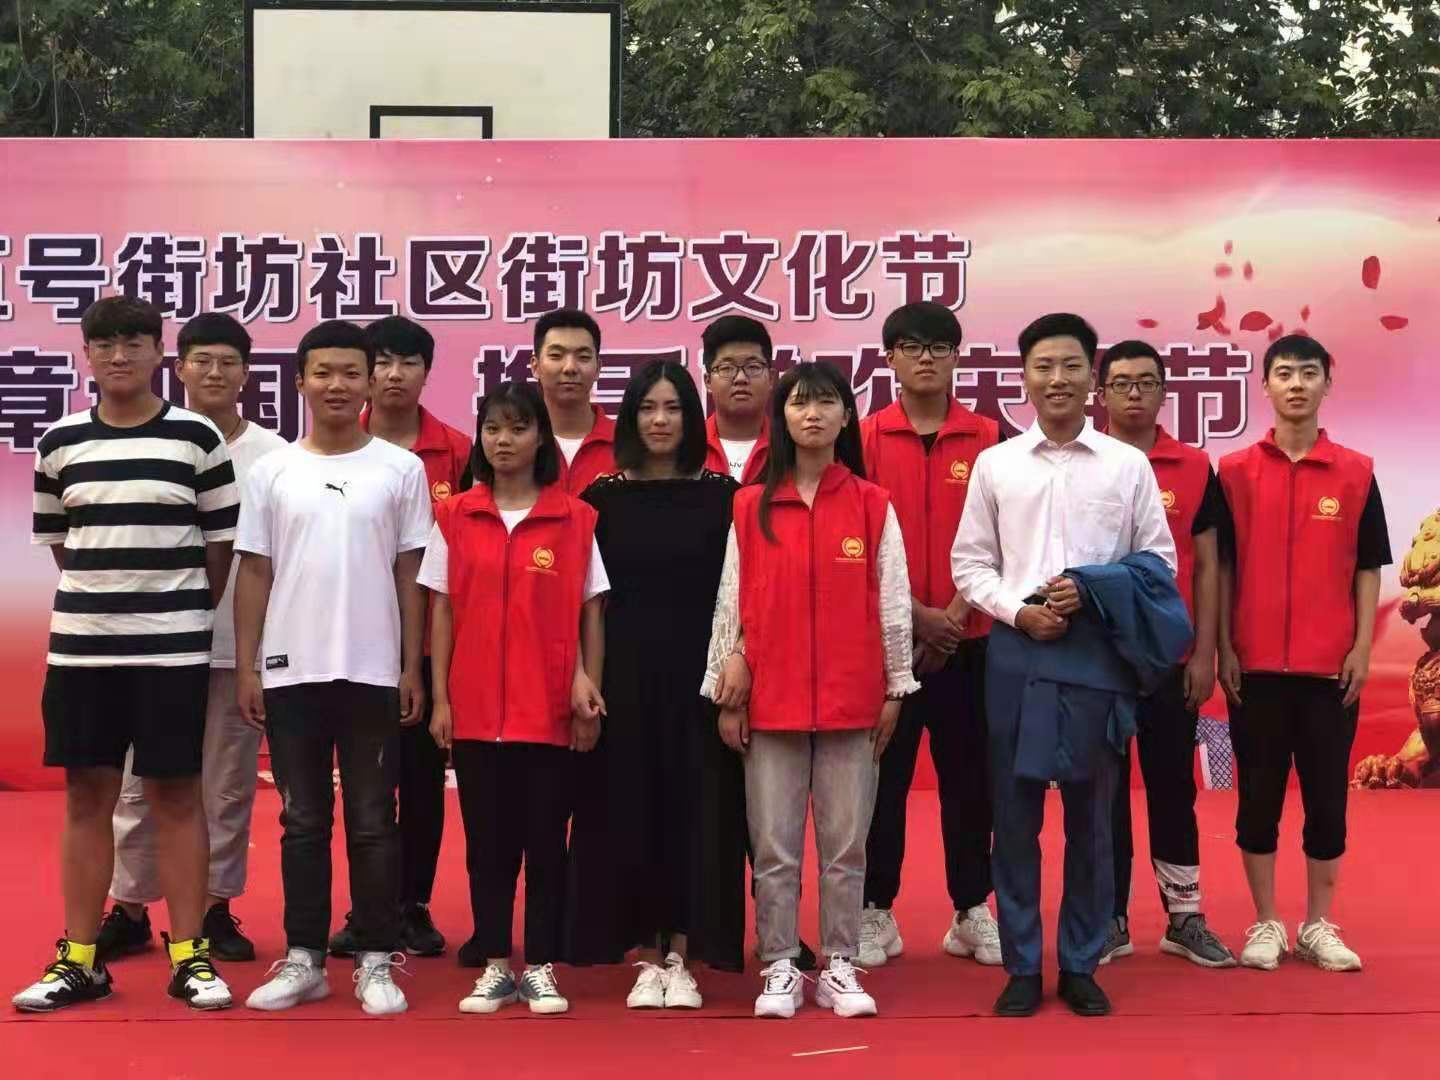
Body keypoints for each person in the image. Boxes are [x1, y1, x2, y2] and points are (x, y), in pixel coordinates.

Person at [952, 313, 1180, 1019]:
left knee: (1093, 815)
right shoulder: (996, 464)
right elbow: (970, 564)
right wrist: (1017, 613)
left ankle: (1081, 961)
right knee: (1014, 815)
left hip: (1096, 652)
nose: (1058, 379)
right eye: (1044, 366)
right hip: (1017, 650)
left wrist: (1094, 589)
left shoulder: (1126, 464)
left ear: (1093, 378)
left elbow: (1159, 562)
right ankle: (1022, 965)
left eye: (1071, 365)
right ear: (1023, 376)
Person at [16, 296, 238, 1012]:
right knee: (88, 799)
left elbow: (219, 547)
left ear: (157, 353)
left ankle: (190, 955)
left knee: (177, 797)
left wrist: (174, 613)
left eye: (134, 342)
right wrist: (109, 605)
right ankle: (80, 959)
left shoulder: (197, 438)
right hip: (83, 653)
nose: (119, 356)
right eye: (105, 344)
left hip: (172, 655)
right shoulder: (59, 442)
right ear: (86, 355)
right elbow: (62, 545)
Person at [704, 361, 919, 1020]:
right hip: (771, 702)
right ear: (783, 417)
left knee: (846, 848)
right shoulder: (750, 505)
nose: (813, 414)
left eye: (827, 403)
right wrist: (727, 684)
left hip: (854, 702)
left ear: (846, 417)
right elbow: (731, 601)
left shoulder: (872, 503)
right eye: (800, 403)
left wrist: (896, 688)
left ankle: (840, 963)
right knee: (774, 848)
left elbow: (893, 603)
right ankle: (778, 963)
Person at [236, 320, 431, 1016]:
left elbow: (411, 572)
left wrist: (412, 666)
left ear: (371, 381)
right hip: (292, 671)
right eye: (324, 372)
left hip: (374, 670)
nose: (338, 385)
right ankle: (304, 958)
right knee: (302, 820)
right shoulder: (273, 471)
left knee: (375, 820)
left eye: (352, 372)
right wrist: (249, 666)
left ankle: (376, 958)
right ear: (301, 381)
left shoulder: (400, 470)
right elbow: (254, 571)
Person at [98, 313, 286, 968]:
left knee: (226, 785)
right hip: (151, 644)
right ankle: (128, 908)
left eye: (228, 361)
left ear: (247, 372)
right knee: (136, 782)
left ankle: (213, 907)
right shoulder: (152, 438)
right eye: (201, 360)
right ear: (177, 367)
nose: (214, 372)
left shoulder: (275, 456)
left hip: (237, 646)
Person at [421, 381, 608, 1017]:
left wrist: (587, 683)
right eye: (493, 428)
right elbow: (441, 610)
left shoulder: (576, 518)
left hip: (548, 710)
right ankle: (497, 964)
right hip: (475, 711)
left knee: (545, 845)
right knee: (488, 846)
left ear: (540, 438)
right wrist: (442, 699)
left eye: (518, 428)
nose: (504, 440)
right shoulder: (454, 516)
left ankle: (542, 966)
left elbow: (591, 610)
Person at [566, 361, 745, 1009]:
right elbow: (581, 601)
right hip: (623, 681)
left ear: (693, 417)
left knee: (698, 814)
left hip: (702, 683)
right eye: (648, 408)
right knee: (630, 811)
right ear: (631, 418)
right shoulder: (601, 500)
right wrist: (583, 676)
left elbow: (745, 595)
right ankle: (646, 954)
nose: (661, 420)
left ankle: (683, 955)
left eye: (673, 408)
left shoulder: (725, 497)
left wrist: (736, 664)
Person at [1217, 333, 1390, 974]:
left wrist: (1362, 647)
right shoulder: (1234, 472)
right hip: (1254, 668)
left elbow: (1369, 566)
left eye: (1308, 373)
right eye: (1284, 373)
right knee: (1257, 800)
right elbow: (1220, 567)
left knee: (1326, 802)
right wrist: (1223, 645)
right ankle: (1266, 921)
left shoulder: (1356, 472)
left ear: (1327, 383)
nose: (1296, 384)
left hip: (1329, 670)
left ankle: (1318, 923)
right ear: (1264, 385)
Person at [858, 301, 1003, 971]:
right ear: (889, 358)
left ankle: (972, 909)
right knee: (880, 785)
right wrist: (917, 617)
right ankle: (874, 909)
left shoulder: (989, 437)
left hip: (971, 642)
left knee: (970, 783)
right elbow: (854, 541)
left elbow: (1004, 536)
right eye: (911, 346)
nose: (925, 358)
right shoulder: (863, 438)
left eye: (939, 347)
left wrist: (953, 617)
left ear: (956, 357)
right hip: (887, 647)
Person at [325, 316, 471, 961]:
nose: (393, 374)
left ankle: (412, 905)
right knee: (364, 788)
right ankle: (367, 909)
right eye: (381, 361)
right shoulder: (336, 444)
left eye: (407, 362)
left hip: (431, 648)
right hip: (352, 643)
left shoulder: (458, 451)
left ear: (426, 372)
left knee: (422, 785)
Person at [1097, 340, 1236, 968]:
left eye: (1146, 382)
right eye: (1121, 382)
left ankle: (1185, 917)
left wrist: (1204, 652)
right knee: (1102, 790)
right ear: (1101, 392)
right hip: (1099, 658)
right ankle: (1109, 917)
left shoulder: (1195, 466)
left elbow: (1207, 566)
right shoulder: (1083, 460)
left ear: (1163, 391)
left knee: (1172, 786)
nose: (1134, 393)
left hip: (1170, 659)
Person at [529, 308, 616, 494]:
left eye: (583, 357)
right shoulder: (517, 443)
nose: (570, 368)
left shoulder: (626, 443)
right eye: (556, 356)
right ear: (535, 367)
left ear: (598, 368)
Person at [701, 315, 773, 484]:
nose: (741, 378)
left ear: (771, 378)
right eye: (726, 368)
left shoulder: (791, 449)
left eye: (753, 367)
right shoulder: (685, 447)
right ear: (708, 381)